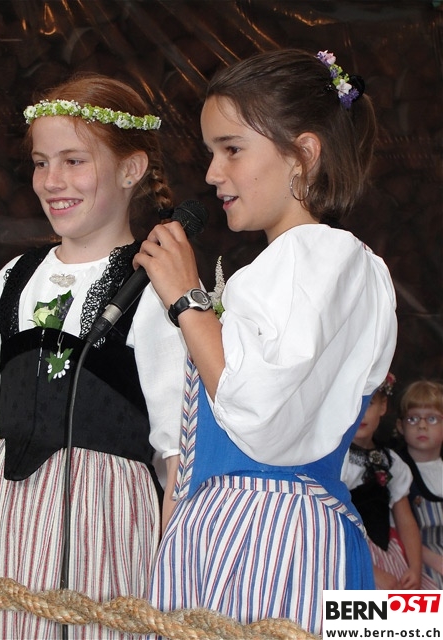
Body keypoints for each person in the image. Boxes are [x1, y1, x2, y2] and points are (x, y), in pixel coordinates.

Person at [133, 48, 398, 635]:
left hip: (269, 540)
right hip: (234, 529)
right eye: (211, 152)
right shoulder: (294, 266)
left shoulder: (319, 256)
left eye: (232, 149)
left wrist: (188, 300)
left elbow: (258, 407)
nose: (212, 173)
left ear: (303, 154)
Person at [0, 74, 187, 639]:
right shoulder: (14, 279)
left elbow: (176, 454)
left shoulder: (154, 286)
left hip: (103, 526)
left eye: (73, 161)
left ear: (131, 169)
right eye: (41, 163)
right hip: (3, 526)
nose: (52, 181)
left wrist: (170, 576)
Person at [342, 373, 437, 589]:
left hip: (388, 552)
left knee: (420, 602)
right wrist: (371, 571)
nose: (360, 413)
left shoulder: (392, 462)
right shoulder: (338, 463)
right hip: (352, 554)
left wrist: (415, 568)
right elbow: (333, 525)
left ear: (383, 406)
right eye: (352, 404)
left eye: (369, 404)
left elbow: (406, 520)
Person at [396, 380, 443, 589]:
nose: (422, 426)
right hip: (415, 560)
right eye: (413, 418)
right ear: (400, 426)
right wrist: (435, 561)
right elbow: (396, 529)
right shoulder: (396, 470)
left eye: (432, 419)